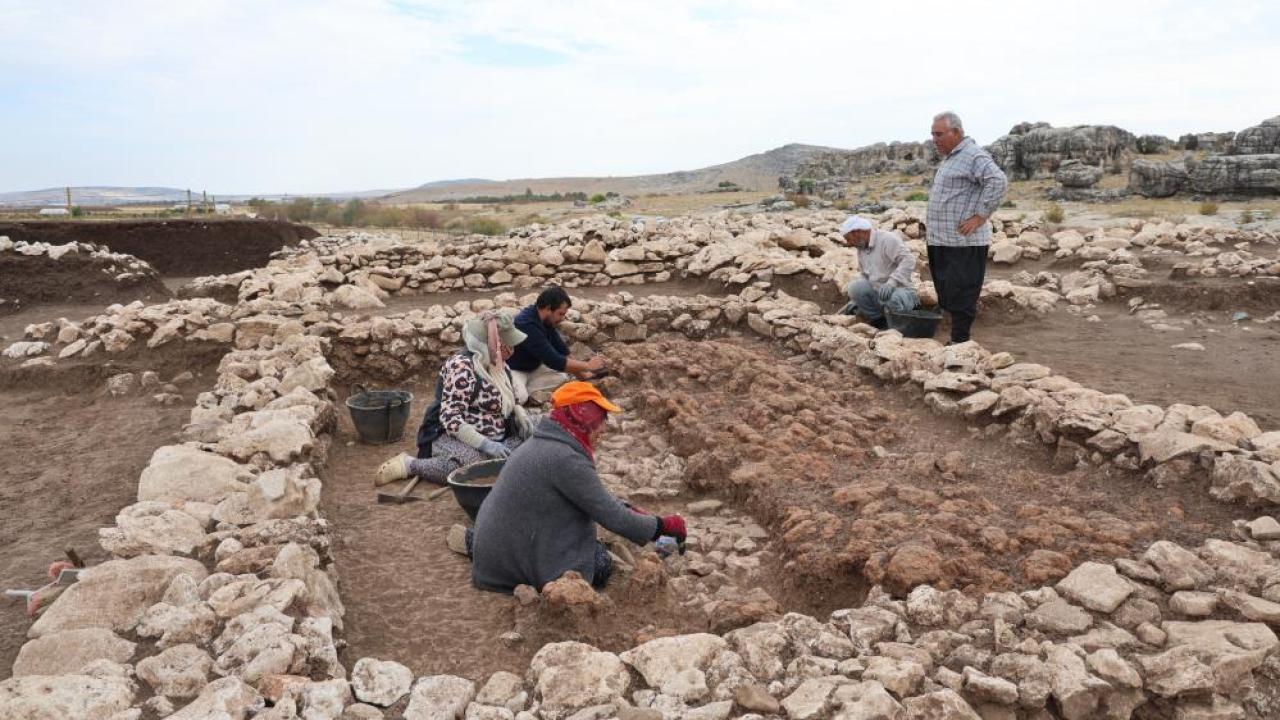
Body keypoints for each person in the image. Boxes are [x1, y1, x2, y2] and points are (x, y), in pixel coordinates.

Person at [467, 381, 687, 592]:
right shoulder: (565, 458)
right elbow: (612, 516)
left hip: (494, 559)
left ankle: (473, 542)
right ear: (583, 416)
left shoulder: (546, 443)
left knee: (588, 540)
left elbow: (596, 497)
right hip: (504, 572)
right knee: (599, 563)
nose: (604, 427)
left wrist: (638, 515)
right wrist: (663, 526)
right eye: (601, 418)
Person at [376, 311, 534, 486]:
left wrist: (521, 415)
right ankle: (409, 465)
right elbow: (450, 419)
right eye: (507, 344)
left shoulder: (498, 365)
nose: (512, 349)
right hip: (454, 436)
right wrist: (486, 444)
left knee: (536, 438)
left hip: (498, 435)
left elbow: (510, 399)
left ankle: (495, 458)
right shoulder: (461, 367)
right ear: (490, 343)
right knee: (472, 467)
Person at [926, 111, 1008, 344]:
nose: (935, 139)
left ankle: (960, 341)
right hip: (942, 240)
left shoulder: (973, 155)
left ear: (957, 132)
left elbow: (998, 181)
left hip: (963, 242)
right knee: (947, 290)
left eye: (939, 134)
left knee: (963, 292)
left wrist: (980, 216)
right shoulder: (951, 157)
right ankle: (954, 336)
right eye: (933, 134)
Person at [506, 286, 606, 403]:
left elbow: (562, 350)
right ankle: (522, 391)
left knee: (563, 377)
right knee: (519, 397)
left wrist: (583, 374)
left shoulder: (544, 319)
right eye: (560, 314)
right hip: (514, 369)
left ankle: (527, 389)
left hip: (533, 369)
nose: (562, 318)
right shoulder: (525, 324)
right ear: (548, 308)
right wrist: (588, 365)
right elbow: (554, 360)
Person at [838, 215, 920, 330]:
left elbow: (909, 260)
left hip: (902, 292)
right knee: (855, 287)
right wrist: (856, 300)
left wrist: (892, 282)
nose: (848, 243)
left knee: (891, 298)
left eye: (848, 239)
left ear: (857, 232)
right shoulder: (861, 247)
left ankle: (899, 327)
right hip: (878, 293)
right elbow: (865, 276)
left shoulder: (887, 239)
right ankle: (880, 321)